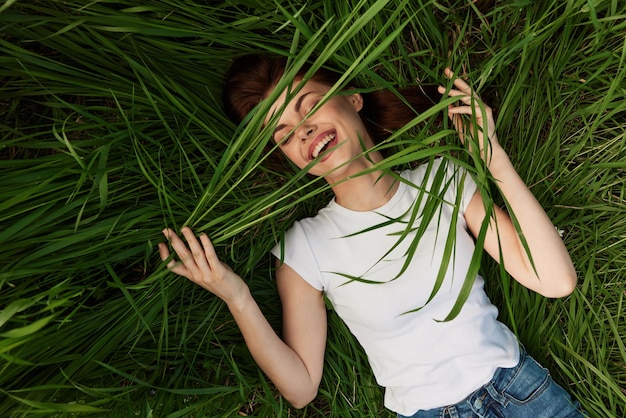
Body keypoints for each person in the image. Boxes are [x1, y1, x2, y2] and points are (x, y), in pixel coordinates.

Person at [158, 54, 585, 417]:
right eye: (285, 134)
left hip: (523, 393)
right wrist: (237, 296)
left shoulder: (443, 180)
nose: (303, 130)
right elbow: (303, 387)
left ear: (352, 98)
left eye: (310, 105)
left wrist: (493, 158)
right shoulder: (304, 248)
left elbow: (555, 281)